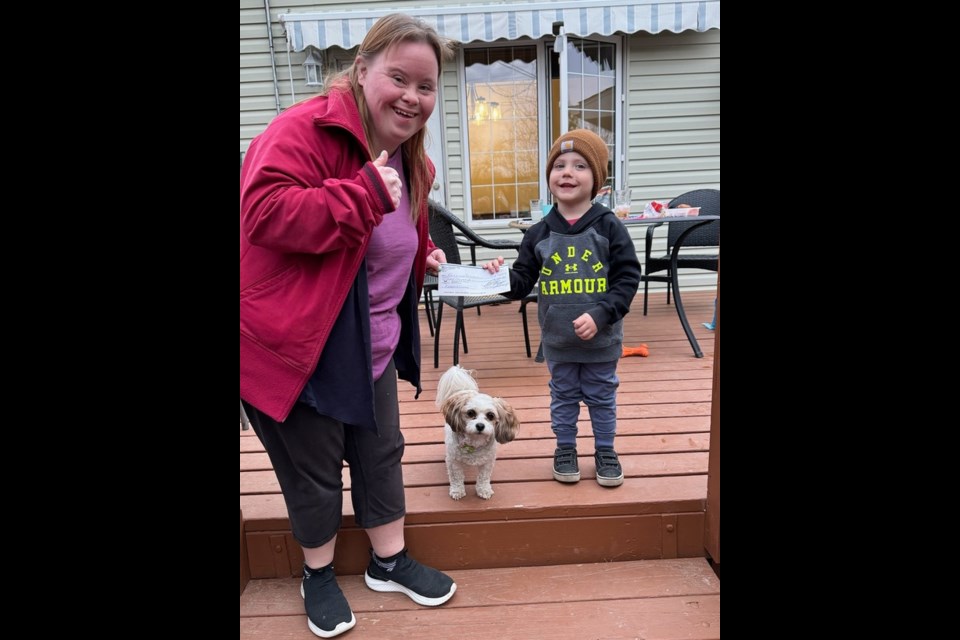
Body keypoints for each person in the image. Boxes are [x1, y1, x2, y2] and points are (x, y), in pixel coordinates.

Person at [240, 14, 455, 638]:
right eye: (398, 78)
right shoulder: (300, 130)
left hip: (375, 344)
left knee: (381, 452)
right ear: (361, 72)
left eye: (426, 86)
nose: (413, 98)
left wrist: (424, 255)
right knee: (312, 469)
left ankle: (388, 561)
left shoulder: (412, 155)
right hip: (299, 345)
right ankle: (319, 573)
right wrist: (359, 193)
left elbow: (389, 235)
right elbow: (264, 213)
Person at [481, 129, 641, 488]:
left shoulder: (609, 226)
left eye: (580, 165)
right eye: (559, 165)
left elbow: (628, 277)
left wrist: (602, 315)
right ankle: (565, 448)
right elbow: (522, 281)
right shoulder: (539, 232)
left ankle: (605, 449)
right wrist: (498, 276)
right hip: (558, 339)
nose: (568, 172)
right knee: (563, 397)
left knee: (601, 397)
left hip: (601, 340)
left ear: (598, 181)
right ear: (550, 177)